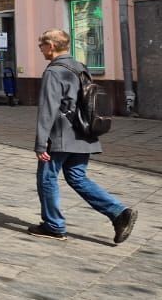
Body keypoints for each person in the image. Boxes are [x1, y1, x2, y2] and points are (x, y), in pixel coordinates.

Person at [30, 29, 137, 243]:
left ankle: (54, 226)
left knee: (47, 178)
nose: (39, 48)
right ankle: (119, 213)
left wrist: (41, 143)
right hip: (84, 132)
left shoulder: (54, 71)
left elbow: (48, 109)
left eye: (41, 44)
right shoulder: (80, 67)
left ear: (51, 45)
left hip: (60, 135)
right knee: (77, 177)